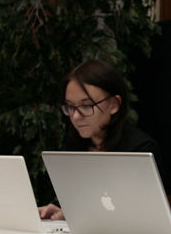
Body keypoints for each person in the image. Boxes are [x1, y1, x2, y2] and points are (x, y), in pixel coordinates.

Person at [39, 59, 161, 220]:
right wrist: (64, 213)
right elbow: (82, 205)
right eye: (70, 106)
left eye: (86, 106)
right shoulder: (74, 143)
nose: (76, 116)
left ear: (114, 104)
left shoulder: (140, 149)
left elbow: (144, 217)